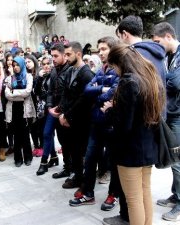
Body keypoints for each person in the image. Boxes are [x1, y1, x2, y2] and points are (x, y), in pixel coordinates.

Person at [103, 15, 167, 225]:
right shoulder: (149, 76)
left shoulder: (129, 82)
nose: (114, 71)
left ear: (120, 62)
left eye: (113, 67)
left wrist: (110, 111)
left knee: (133, 200)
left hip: (130, 150)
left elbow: (124, 124)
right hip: (148, 145)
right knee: (144, 193)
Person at [70, 37, 119, 209]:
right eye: (99, 49)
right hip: (96, 121)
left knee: (113, 162)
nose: (101, 52)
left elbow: (113, 93)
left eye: (104, 49)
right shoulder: (101, 70)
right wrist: (102, 89)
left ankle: (114, 194)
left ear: (113, 50)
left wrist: (99, 92)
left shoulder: (119, 70)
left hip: (112, 123)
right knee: (90, 159)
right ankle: (88, 193)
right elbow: (88, 90)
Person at [52, 42, 94, 189]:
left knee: (81, 150)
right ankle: (77, 175)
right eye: (66, 54)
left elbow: (83, 99)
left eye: (69, 54)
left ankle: (83, 179)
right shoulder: (70, 71)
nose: (66, 57)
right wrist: (61, 111)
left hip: (81, 120)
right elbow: (66, 93)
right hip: (69, 117)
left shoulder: (87, 74)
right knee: (73, 149)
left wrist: (68, 115)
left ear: (78, 54)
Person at [152, 21, 180, 222]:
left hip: (178, 115)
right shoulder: (168, 56)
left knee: (178, 160)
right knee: (173, 158)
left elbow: (176, 82)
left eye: (157, 41)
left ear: (168, 37)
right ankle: (176, 193)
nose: (156, 45)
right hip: (170, 112)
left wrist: (162, 78)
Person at [41, 43, 70, 177]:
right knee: (47, 133)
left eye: (56, 56)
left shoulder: (69, 69)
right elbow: (51, 91)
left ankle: (68, 167)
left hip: (65, 110)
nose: (53, 59)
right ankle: (45, 162)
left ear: (64, 55)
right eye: (52, 56)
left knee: (65, 139)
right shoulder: (53, 70)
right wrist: (49, 106)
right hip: (53, 109)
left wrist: (60, 109)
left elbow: (68, 93)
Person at [4, 56, 36, 167]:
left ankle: (28, 157)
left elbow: (27, 92)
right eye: (14, 65)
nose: (16, 67)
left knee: (25, 134)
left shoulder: (28, 76)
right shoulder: (9, 78)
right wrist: (19, 94)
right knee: (16, 135)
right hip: (13, 110)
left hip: (25, 109)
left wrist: (14, 92)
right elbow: (7, 94)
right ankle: (18, 159)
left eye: (17, 65)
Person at [35, 56, 57, 175]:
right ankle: (53, 157)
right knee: (48, 134)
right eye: (44, 64)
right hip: (43, 108)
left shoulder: (55, 75)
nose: (46, 66)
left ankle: (43, 162)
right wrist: (38, 78)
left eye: (48, 63)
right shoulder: (42, 77)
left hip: (53, 108)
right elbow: (37, 91)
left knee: (47, 133)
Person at [25, 54, 42, 157]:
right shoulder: (26, 75)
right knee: (32, 126)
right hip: (29, 103)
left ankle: (42, 146)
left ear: (34, 62)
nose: (27, 64)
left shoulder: (39, 73)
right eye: (26, 63)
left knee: (40, 126)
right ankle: (36, 145)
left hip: (39, 104)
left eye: (29, 62)